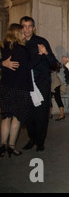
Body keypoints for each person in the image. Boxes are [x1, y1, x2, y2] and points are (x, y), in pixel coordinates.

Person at [0, 24, 43, 157]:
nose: (25, 33)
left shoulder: (5, 47)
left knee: (6, 117)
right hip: (20, 88)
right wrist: (40, 54)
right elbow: (28, 66)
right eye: (22, 31)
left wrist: (2, 63)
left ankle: (2, 145)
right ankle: (11, 146)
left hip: (6, 87)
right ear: (17, 33)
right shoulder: (22, 50)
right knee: (17, 118)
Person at [19, 16, 58, 152]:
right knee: (29, 114)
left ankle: (40, 141)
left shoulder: (41, 42)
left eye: (30, 26)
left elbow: (54, 63)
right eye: (24, 26)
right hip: (25, 83)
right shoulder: (19, 43)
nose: (27, 29)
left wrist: (45, 53)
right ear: (21, 28)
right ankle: (32, 138)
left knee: (41, 114)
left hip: (41, 82)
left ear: (34, 28)